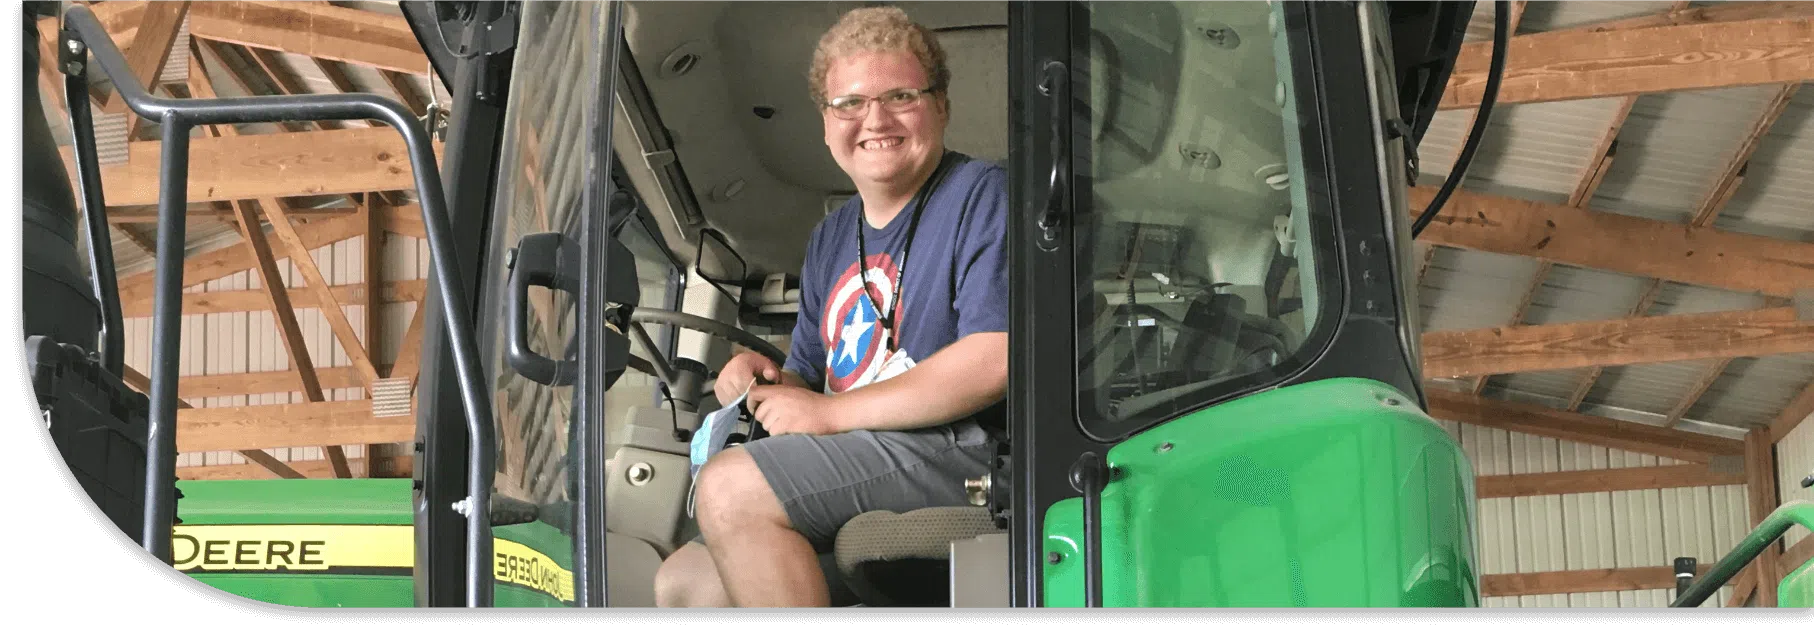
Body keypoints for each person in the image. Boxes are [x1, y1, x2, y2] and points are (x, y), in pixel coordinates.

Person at [652, 6, 1009, 608]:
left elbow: (992, 360)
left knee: (733, 488)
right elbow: (814, 375)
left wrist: (825, 417)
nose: (875, 119)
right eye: (850, 103)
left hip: (961, 452)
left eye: (900, 95)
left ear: (940, 106)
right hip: (865, 451)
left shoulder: (982, 195)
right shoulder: (832, 237)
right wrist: (763, 380)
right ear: (825, 122)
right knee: (685, 582)